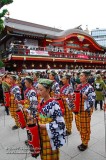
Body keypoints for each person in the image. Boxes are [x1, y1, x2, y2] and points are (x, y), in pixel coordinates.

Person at [37, 78, 66, 160]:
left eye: (41, 90)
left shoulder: (54, 104)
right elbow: (41, 115)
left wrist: (44, 126)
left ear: (48, 90)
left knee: (50, 156)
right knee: (43, 154)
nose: (38, 92)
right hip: (42, 134)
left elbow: (61, 123)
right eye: (38, 89)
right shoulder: (42, 100)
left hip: (50, 135)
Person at [75, 70, 95, 151]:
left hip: (85, 110)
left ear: (86, 77)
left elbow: (93, 99)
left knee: (85, 127)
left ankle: (85, 143)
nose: (80, 77)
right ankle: (83, 140)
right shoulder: (79, 86)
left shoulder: (90, 88)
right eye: (79, 76)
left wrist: (86, 97)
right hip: (78, 109)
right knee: (79, 125)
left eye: (81, 76)